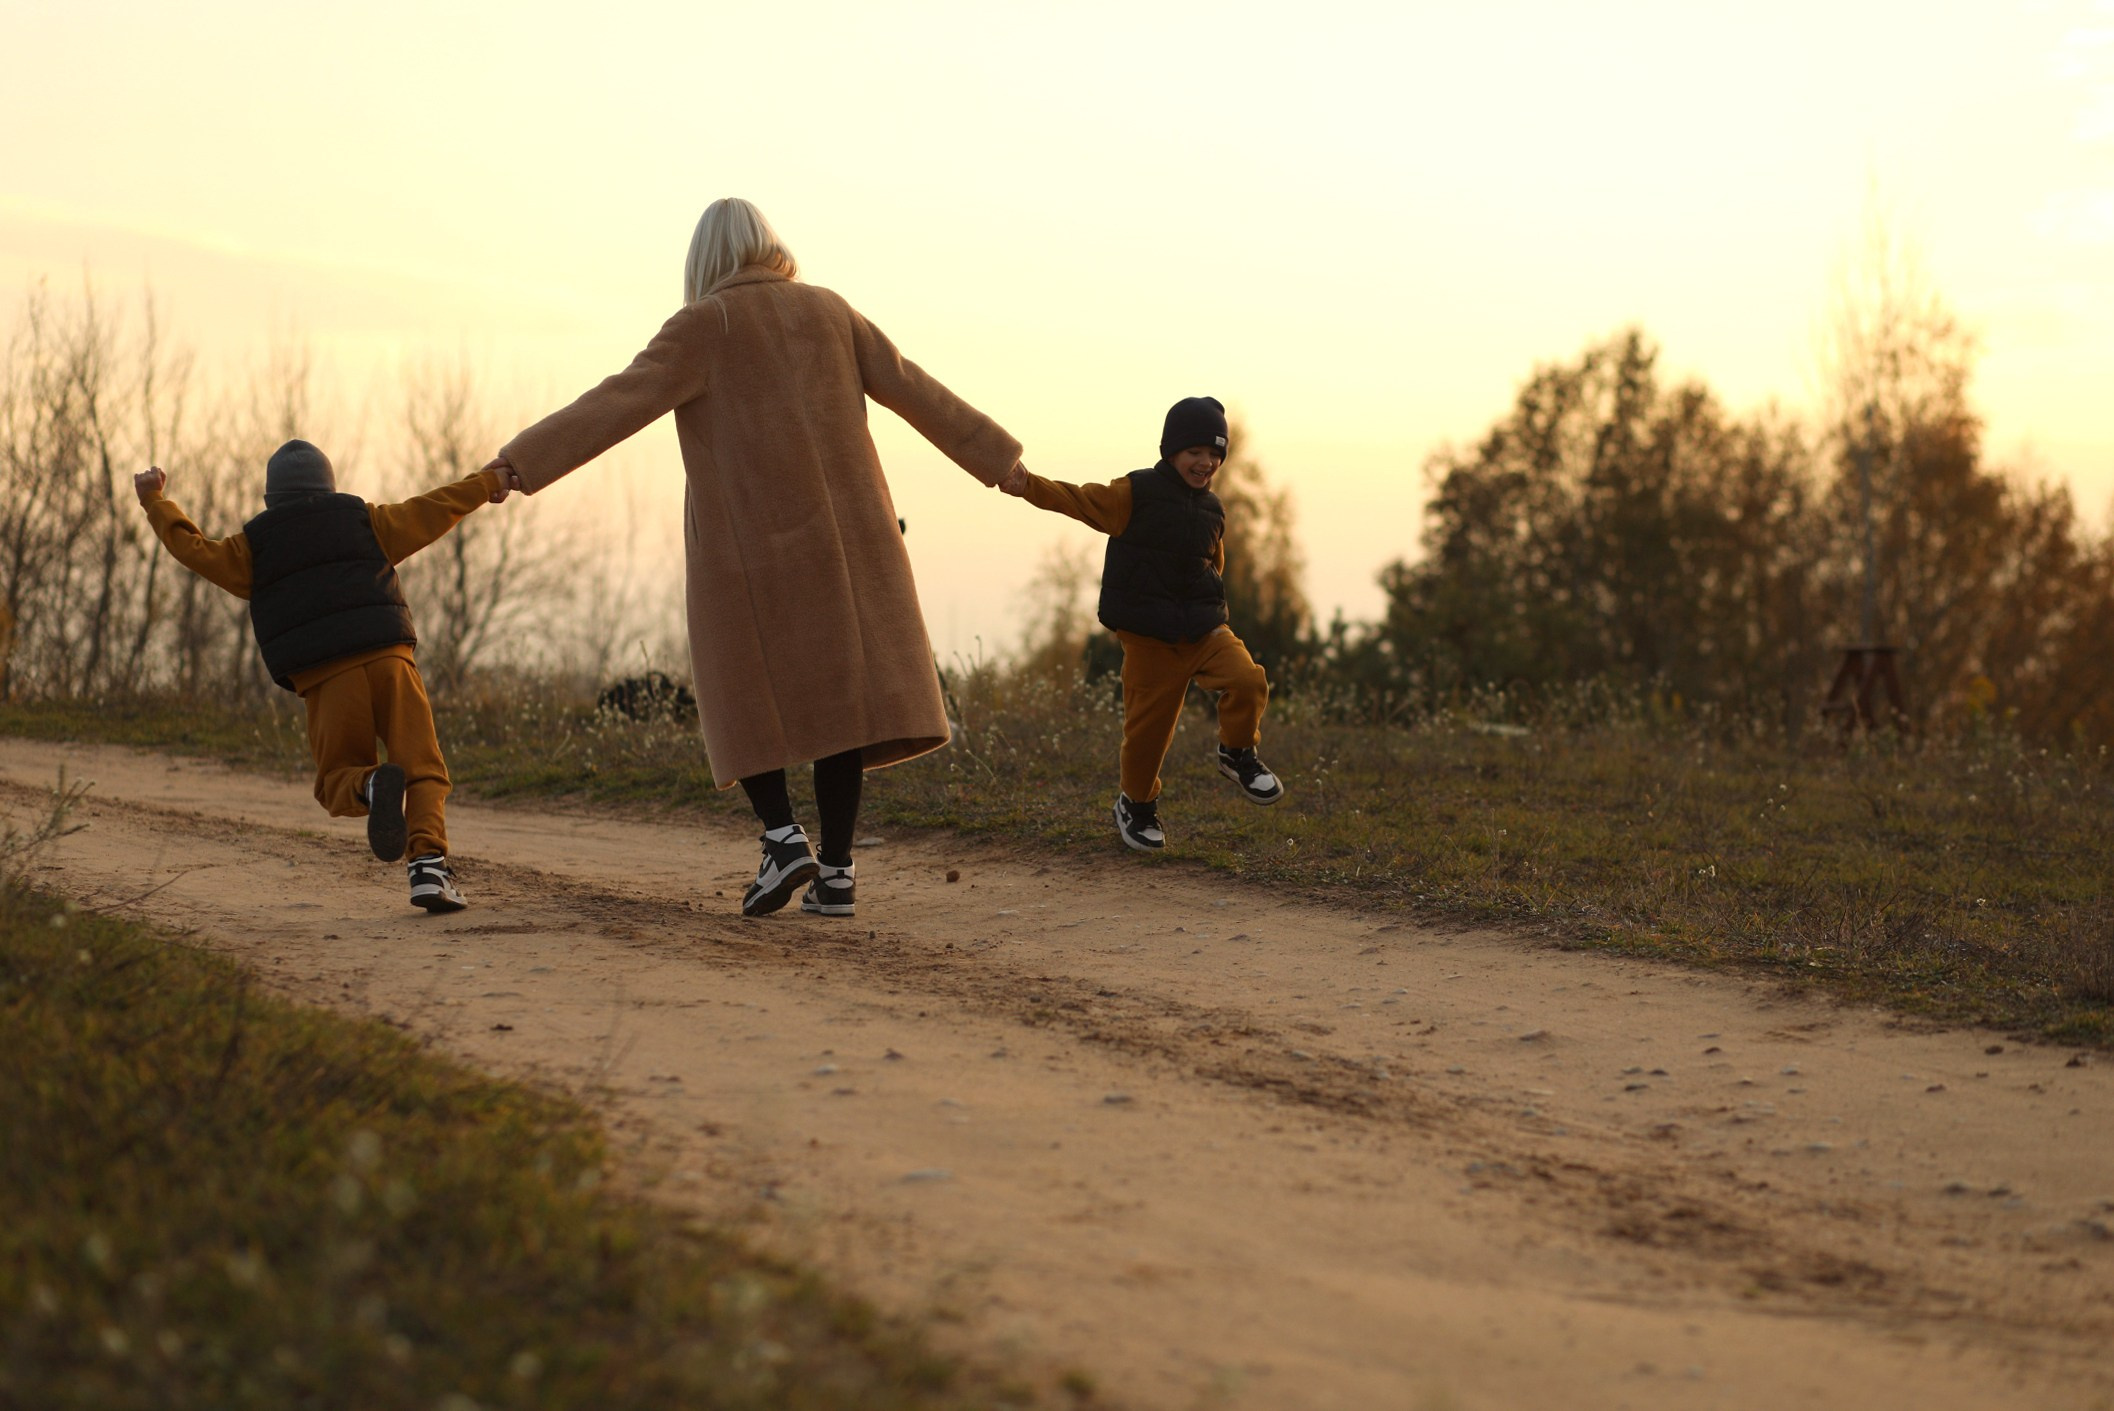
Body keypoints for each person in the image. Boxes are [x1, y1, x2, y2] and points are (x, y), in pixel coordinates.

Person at [484, 198, 1023, 919]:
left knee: (740, 693)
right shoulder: (831, 312)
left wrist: (521, 462)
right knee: (844, 708)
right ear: (771, 245)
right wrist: (999, 459)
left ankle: (780, 836)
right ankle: (835, 873)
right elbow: (914, 387)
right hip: (847, 544)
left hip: (748, 552)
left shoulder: (706, 324)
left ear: (704, 261)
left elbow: (617, 402)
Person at [135, 440, 511, 910]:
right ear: (331, 488)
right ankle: (428, 869)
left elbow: (195, 550)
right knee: (422, 766)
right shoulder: (367, 521)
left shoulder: (253, 548)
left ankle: (370, 786)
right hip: (390, 659)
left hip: (329, 676)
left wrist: (155, 500)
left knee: (336, 779)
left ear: (270, 501)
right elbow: (434, 507)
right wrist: (489, 482)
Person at [999, 396, 1284, 851]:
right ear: (1172, 451)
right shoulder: (1135, 493)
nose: (1206, 462)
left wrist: (1207, 609)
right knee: (1148, 735)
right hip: (1151, 640)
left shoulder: (1213, 510)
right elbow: (1077, 499)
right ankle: (1137, 804)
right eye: (1195, 452)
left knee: (1248, 681)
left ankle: (1237, 752)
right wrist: (1026, 483)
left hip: (1205, 630)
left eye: (1214, 454)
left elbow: (1215, 563)